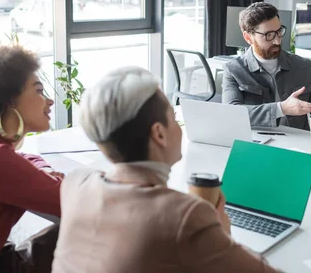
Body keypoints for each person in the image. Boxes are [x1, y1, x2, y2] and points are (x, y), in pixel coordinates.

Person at [52, 66, 280, 273]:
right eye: (174, 118)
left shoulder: (75, 184)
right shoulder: (185, 215)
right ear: (159, 134)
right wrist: (220, 235)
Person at [0, 45, 63, 272]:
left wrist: (40, 170)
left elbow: (25, 157)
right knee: (83, 225)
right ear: (8, 101)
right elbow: (72, 199)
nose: (49, 101)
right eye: (38, 91)